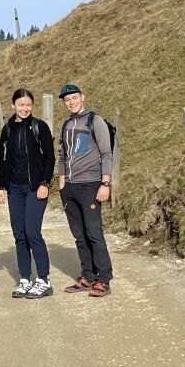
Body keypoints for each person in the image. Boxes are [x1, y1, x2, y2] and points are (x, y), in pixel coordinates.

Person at [0, 88, 56, 299]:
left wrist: (45, 183)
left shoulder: (40, 127)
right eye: (21, 105)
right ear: (13, 105)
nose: (25, 108)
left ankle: (44, 280)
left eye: (28, 105)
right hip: (14, 189)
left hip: (34, 188)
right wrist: (0, 187)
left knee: (32, 232)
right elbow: (2, 159)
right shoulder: (7, 129)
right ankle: (25, 279)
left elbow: (50, 157)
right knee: (19, 234)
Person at [57, 84, 114, 297]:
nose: (71, 102)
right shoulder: (65, 124)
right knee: (79, 236)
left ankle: (104, 279)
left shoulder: (95, 121)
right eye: (67, 100)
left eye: (74, 97)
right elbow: (62, 155)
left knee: (94, 233)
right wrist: (62, 181)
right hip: (69, 187)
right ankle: (88, 277)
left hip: (91, 184)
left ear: (82, 97)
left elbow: (106, 153)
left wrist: (105, 183)